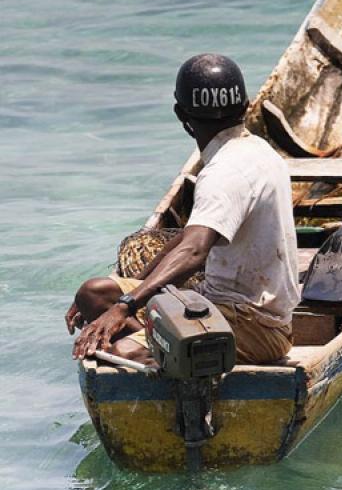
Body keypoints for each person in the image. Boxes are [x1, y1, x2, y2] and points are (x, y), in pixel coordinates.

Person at [66, 53, 300, 365]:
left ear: (181, 114)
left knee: (118, 354)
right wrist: (132, 294)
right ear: (245, 106)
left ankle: (178, 358)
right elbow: (189, 237)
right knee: (93, 294)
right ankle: (173, 350)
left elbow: (194, 251)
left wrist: (124, 307)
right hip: (219, 302)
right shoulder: (259, 152)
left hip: (255, 326)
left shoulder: (223, 172)